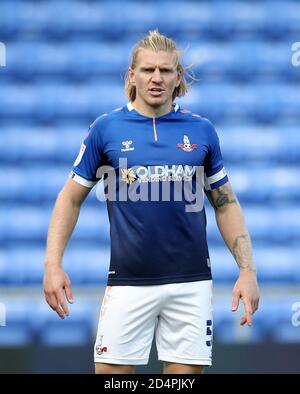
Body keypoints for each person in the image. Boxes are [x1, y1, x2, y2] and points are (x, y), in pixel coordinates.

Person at [43, 30, 260, 374]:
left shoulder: (201, 130)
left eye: (165, 70)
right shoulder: (106, 129)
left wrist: (247, 270)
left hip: (191, 284)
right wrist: (52, 265)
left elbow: (225, 203)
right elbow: (69, 199)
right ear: (132, 75)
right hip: (128, 283)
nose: (156, 78)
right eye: (147, 70)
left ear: (178, 77)